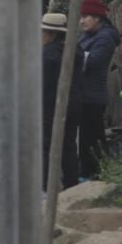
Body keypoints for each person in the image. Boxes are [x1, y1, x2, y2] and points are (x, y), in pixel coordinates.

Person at [77, 0, 121, 179]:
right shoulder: (88, 35)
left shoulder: (105, 37)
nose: (81, 21)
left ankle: (94, 175)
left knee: (92, 140)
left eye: (85, 16)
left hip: (92, 97)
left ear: (97, 17)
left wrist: (70, 54)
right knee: (90, 140)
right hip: (82, 95)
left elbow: (93, 62)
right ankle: (95, 173)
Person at [41, 11, 82, 191]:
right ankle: (72, 186)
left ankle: (46, 187)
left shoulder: (47, 55)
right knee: (69, 147)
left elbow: (43, 84)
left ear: (50, 34)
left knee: (46, 146)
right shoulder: (77, 51)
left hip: (50, 107)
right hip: (73, 104)